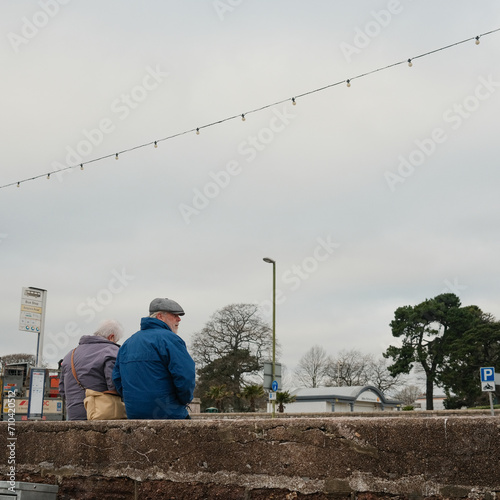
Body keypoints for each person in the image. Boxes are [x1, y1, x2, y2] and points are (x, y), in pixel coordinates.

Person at [112, 297, 196, 419]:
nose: (179, 319)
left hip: (134, 415)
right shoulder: (171, 339)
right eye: (174, 315)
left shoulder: (128, 343)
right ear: (160, 317)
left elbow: (117, 378)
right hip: (169, 414)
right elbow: (185, 375)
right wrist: (184, 400)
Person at [59, 319, 124, 420]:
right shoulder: (111, 351)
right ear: (111, 337)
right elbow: (113, 384)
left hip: (74, 415)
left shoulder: (70, 355)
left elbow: (62, 390)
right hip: (101, 414)